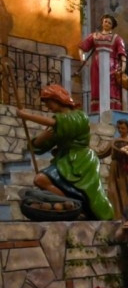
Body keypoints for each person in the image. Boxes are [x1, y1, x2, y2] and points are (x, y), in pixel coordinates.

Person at [15, 84, 114, 220]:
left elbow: (59, 123)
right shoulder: (57, 122)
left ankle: (81, 208)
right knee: (40, 180)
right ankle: (73, 206)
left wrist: (27, 116)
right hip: (64, 160)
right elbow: (39, 146)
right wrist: (42, 137)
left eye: (48, 102)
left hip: (81, 160)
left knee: (90, 193)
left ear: (58, 99)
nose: (47, 106)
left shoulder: (80, 116)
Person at [78, 13, 127, 112]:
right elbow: (82, 48)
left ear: (112, 26)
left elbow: (122, 55)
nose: (107, 24)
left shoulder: (117, 38)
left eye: (109, 23)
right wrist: (82, 59)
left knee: (112, 88)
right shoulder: (94, 36)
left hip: (113, 66)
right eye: (105, 21)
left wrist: (123, 68)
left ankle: (112, 108)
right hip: (96, 66)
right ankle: (97, 109)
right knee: (97, 86)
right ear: (102, 22)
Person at [97, 119, 128, 219]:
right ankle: (116, 215)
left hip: (126, 169)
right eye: (119, 128)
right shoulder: (114, 141)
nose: (120, 130)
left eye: (123, 128)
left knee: (127, 190)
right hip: (115, 168)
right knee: (113, 191)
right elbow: (103, 153)